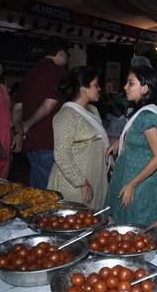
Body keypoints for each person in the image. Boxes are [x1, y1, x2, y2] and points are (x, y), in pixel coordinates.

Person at [105, 66, 157, 226]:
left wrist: (133, 184)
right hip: (134, 180)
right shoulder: (140, 111)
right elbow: (141, 137)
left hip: (141, 185)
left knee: (137, 232)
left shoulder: (147, 116)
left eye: (130, 83)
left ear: (145, 88)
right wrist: (122, 141)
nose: (125, 87)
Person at [47, 66, 109, 209]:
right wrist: (81, 181)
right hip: (75, 182)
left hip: (95, 176)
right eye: (95, 85)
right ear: (83, 89)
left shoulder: (93, 110)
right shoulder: (66, 115)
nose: (99, 89)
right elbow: (61, 154)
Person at [12, 36, 68, 189]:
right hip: (49, 140)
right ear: (61, 53)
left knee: (37, 186)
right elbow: (49, 104)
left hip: (31, 143)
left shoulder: (30, 73)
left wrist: (19, 131)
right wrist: (27, 125)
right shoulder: (58, 71)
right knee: (51, 190)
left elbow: (17, 107)